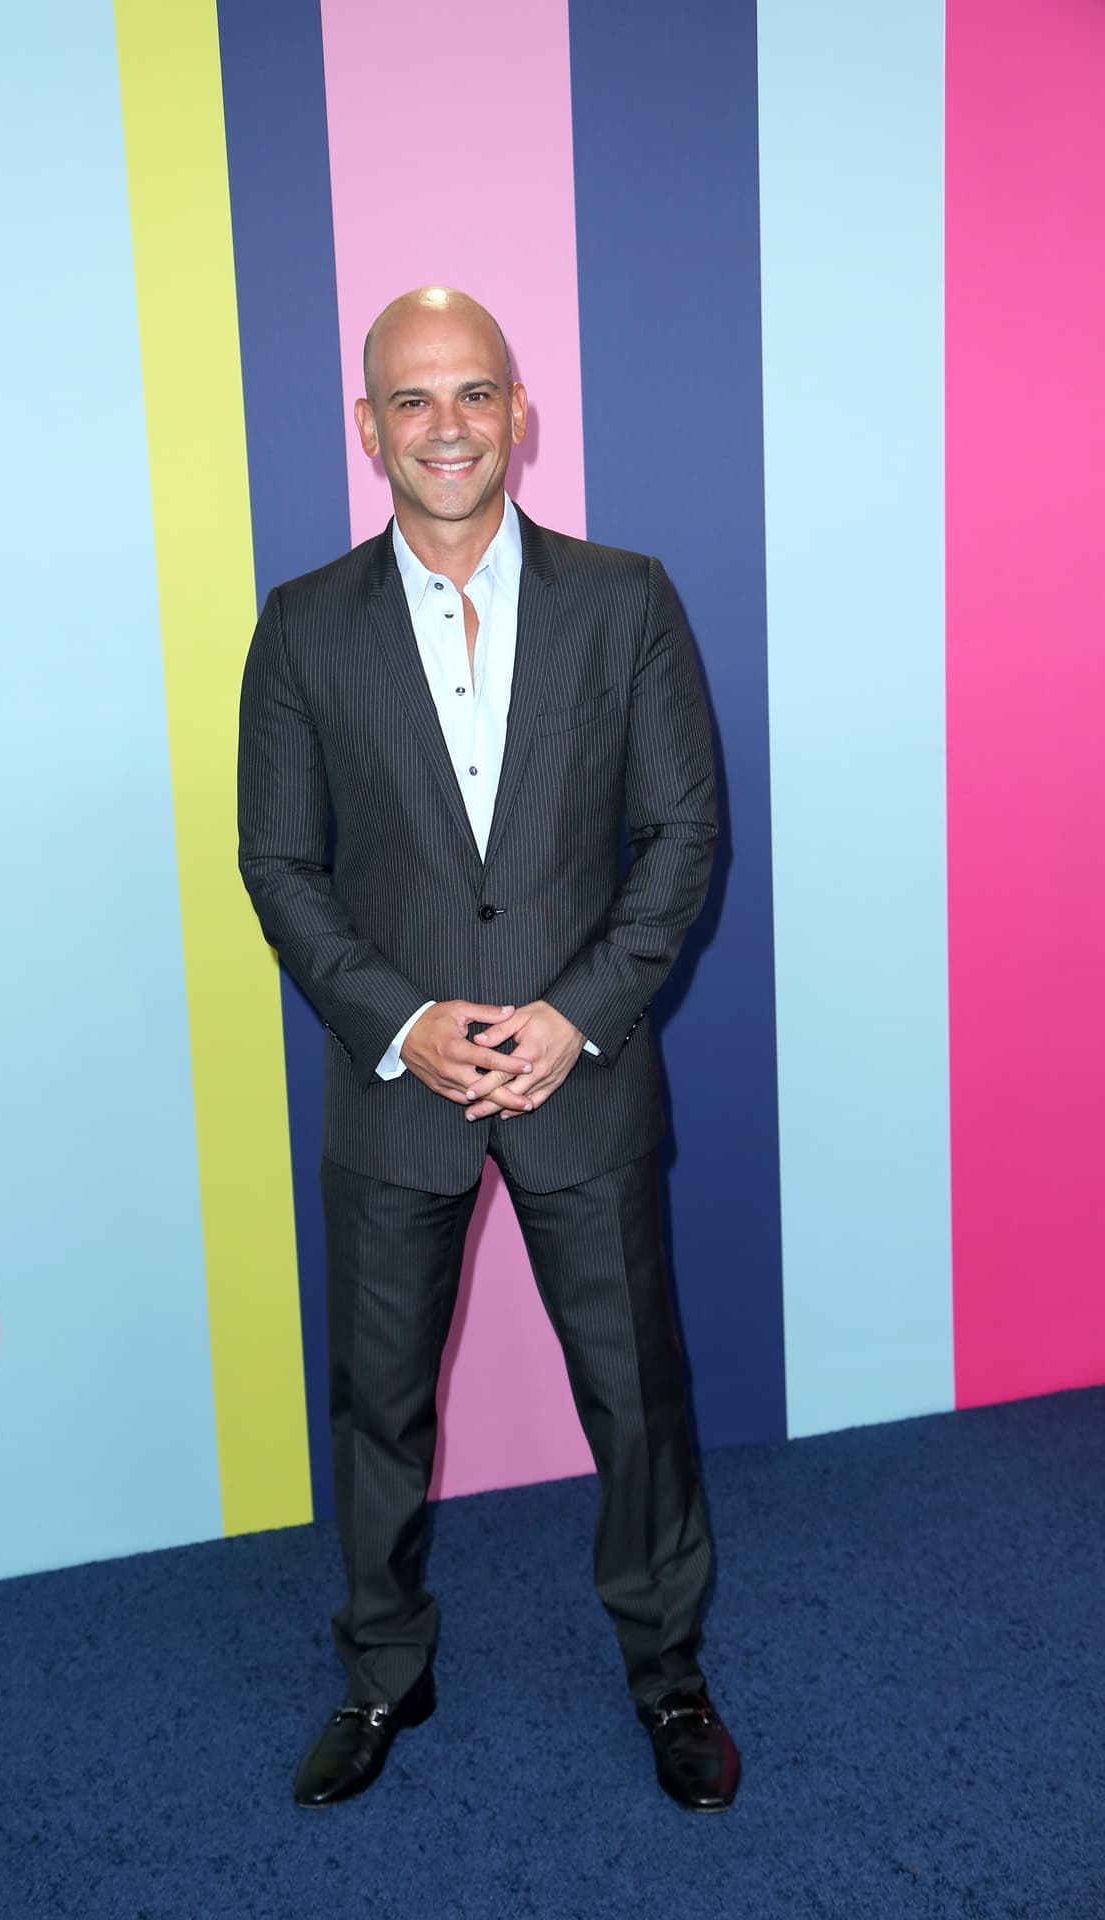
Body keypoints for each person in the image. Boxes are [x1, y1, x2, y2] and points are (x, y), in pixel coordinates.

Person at [237, 287, 739, 1813]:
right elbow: (280, 866)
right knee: (377, 1401)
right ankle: (384, 1670)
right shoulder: (303, 623)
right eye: (412, 400)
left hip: (582, 1075)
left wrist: (572, 1014)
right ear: (367, 428)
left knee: (636, 1395)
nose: (444, 427)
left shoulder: (628, 598)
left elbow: (683, 837)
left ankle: (668, 1674)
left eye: (473, 395)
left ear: (520, 414)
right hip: (398, 1091)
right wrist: (406, 1022)